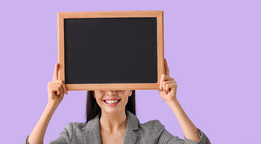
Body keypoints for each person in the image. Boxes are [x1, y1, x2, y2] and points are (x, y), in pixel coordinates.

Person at [24, 59, 211, 144]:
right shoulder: (75, 135)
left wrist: (172, 102)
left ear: (131, 89)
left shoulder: (153, 134)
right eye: (102, 84)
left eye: (120, 83)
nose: (111, 91)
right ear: (92, 91)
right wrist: (51, 105)